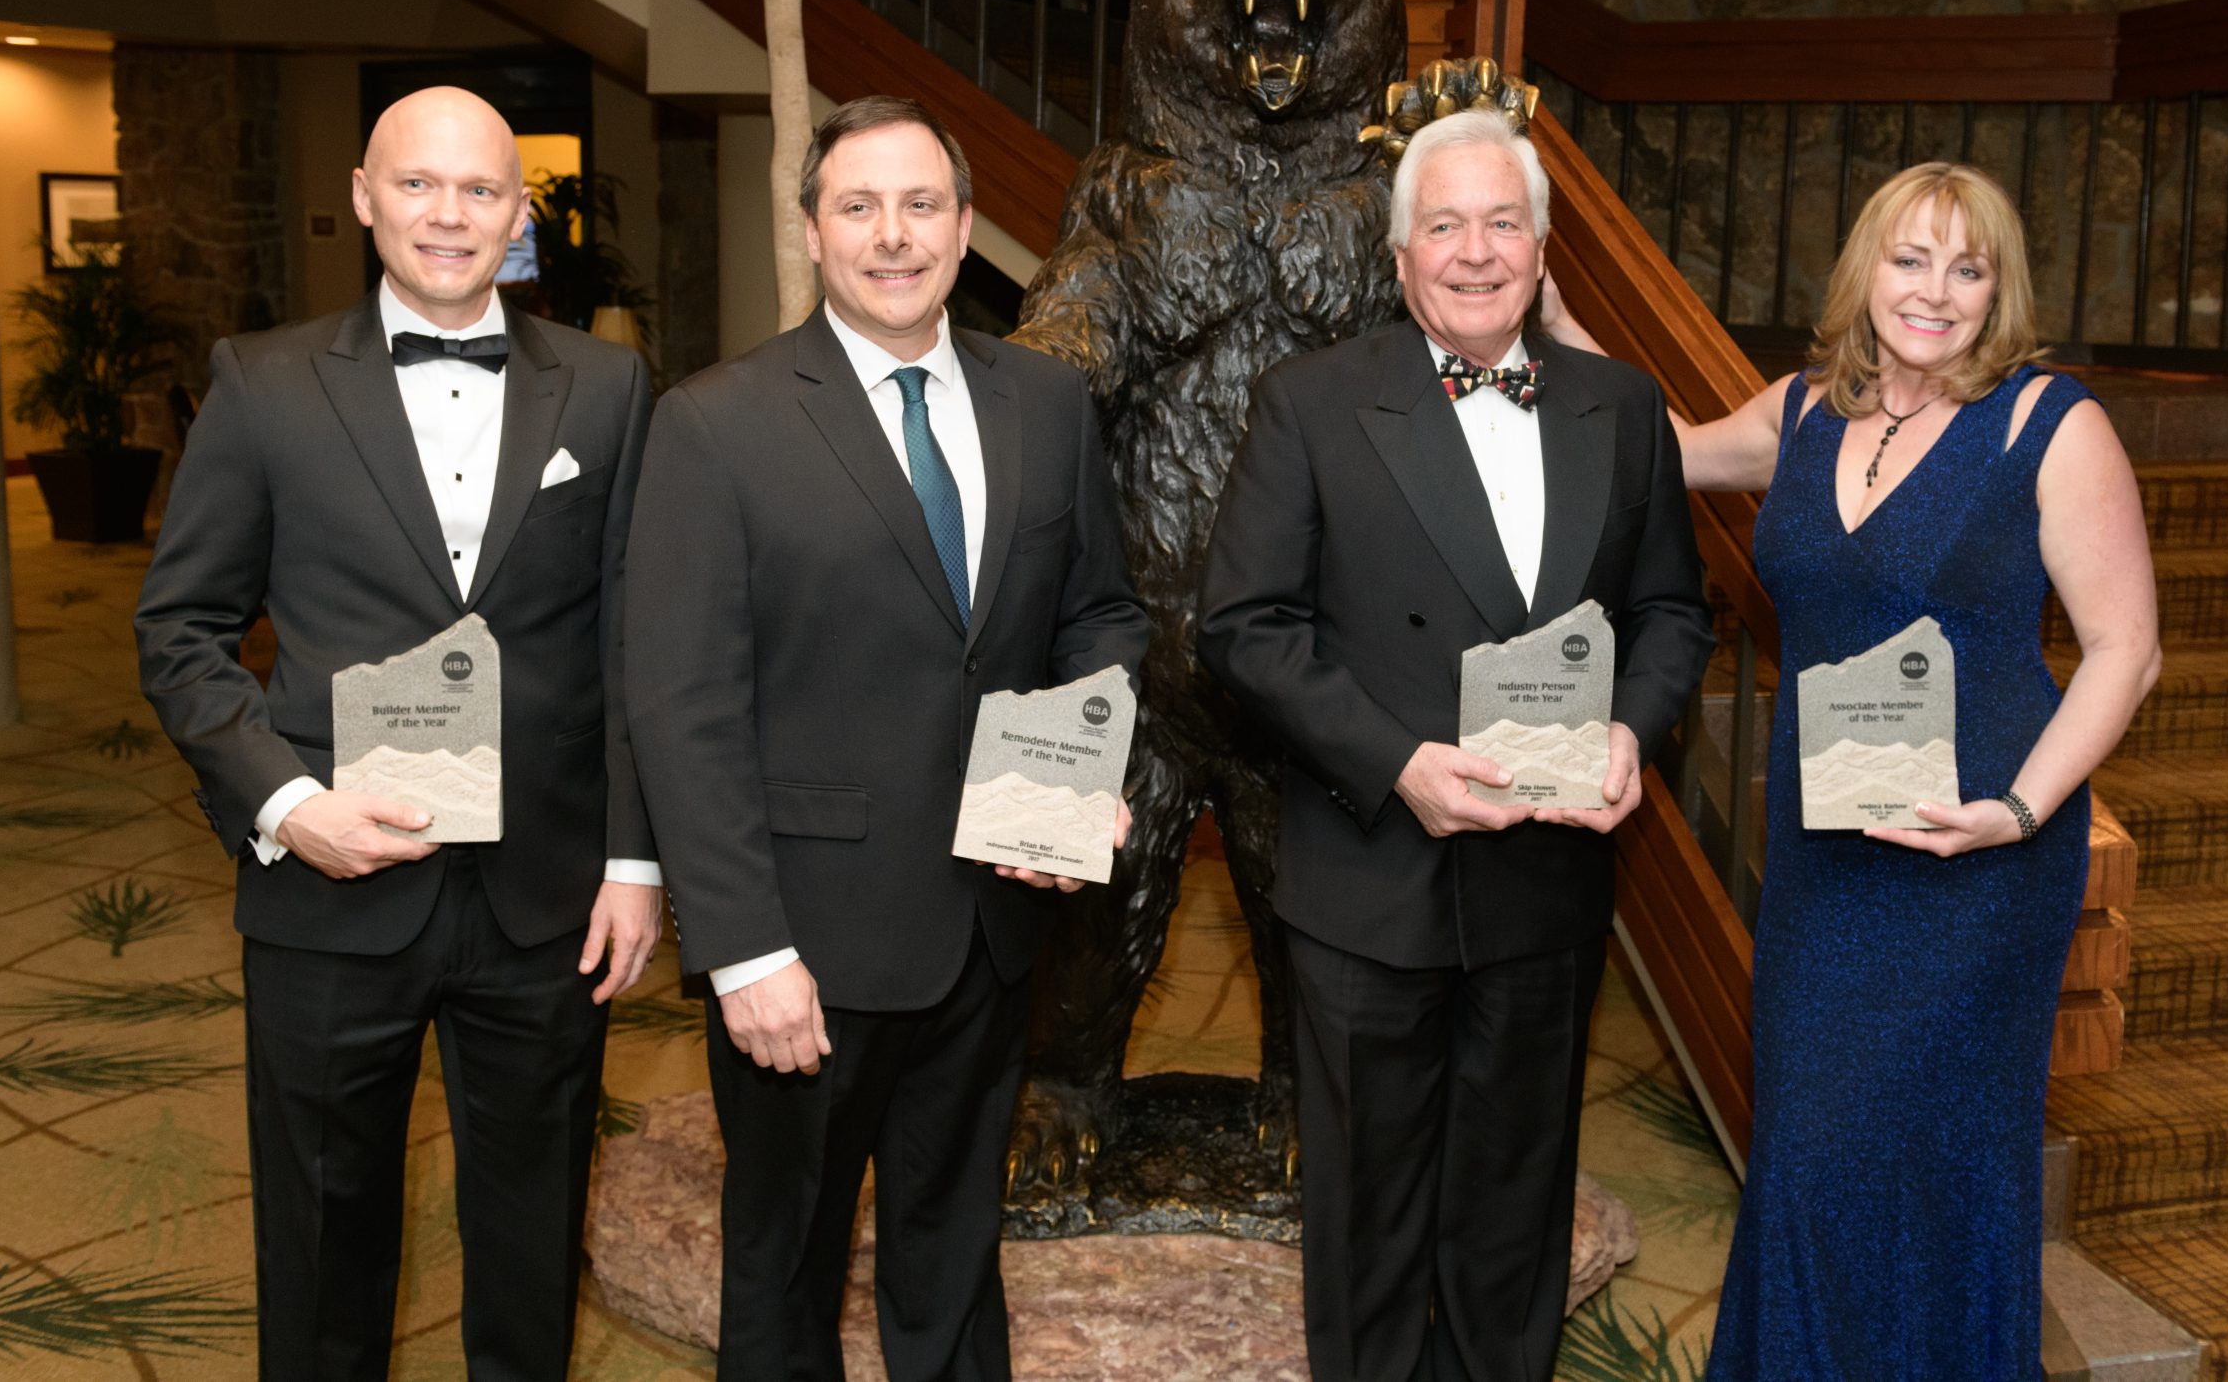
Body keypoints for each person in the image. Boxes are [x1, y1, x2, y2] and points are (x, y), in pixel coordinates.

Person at [1543, 161, 2162, 1379]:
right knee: (1810, 1151)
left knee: (1931, 1163)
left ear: (1998, 291)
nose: (1934, 290)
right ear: (1864, 271)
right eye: (1910, 258)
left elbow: (2125, 651)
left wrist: (2021, 811)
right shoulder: (1808, 409)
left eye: (1966, 268)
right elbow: (1663, 450)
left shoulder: (2047, 424)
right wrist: (1557, 326)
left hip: (1976, 856)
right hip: (1830, 858)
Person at [134, 87, 663, 1382]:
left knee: (533, 1252)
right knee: (321, 1256)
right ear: (366, 195)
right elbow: (180, 629)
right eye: (417, 184)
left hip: (547, 900)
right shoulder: (261, 383)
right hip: (331, 887)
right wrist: (285, 803)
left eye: (481, 189)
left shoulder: (607, 387)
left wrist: (637, 862)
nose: (448, 214)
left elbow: (645, 640)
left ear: (518, 215)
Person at [625, 96, 1149, 1382]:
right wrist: (743, 951)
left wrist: (1081, 775)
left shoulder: (1044, 403)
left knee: (954, 1255)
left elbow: (1100, 615)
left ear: (966, 228)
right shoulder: (715, 423)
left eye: (921, 205)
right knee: (784, 1268)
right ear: (814, 231)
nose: (893, 235)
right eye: (858, 207)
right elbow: (680, 704)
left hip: (990, 924)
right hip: (804, 949)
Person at [1196, 108, 1714, 1382]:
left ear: (1542, 250)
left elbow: (1669, 615)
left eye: (1501, 224)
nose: (1474, 253)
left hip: (1548, 884)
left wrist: (1631, 735)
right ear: (1400, 252)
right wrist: (1397, 765)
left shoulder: (1624, 405)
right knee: (1367, 1221)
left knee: (1512, 1211)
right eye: (1444, 226)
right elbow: (1245, 629)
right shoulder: (1311, 402)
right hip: (1372, 877)